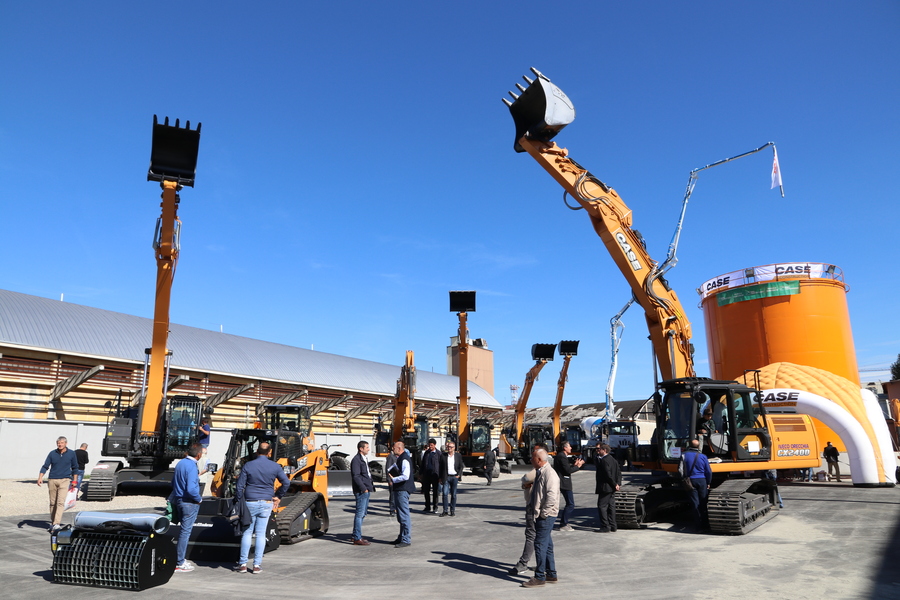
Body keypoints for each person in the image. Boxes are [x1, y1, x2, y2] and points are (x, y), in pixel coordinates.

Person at [235, 443, 290, 573]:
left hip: (250, 501)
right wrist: (278, 496)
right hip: (266, 502)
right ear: (269, 452)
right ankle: (257, 565)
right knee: (260, 533)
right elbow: (286, 482)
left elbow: (239, 486)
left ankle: (242, 564)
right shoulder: (275, 466)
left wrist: (239, 500)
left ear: (256, 451)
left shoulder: (248, 465)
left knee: (247, 532)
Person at [521, 447, 560, 588]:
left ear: (539, 460)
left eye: (532, 458)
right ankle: (551, 574)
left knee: (539, 544)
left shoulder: (549, 474)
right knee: (547, 545)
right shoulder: (540, 472)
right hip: (541, 513)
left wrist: (544, 513)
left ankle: (540, 577)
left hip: (546, 515)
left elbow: (551, 496)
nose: (531, 460)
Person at [170, 443, 203, 572]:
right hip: (189, 502)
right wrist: (199, 499)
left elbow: (173, 482)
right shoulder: (192, 466)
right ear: (199, 454)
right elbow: (191, 488)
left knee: (183, 531)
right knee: (185, 532)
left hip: (179, 500)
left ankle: (180, 559)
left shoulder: (180, 464)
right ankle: (179, 561)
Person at [37, 436, 78, 530]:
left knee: (60, 502)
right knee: (52, 503)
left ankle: (56, 523)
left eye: (62, 443)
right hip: (52, 480)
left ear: (66, 444)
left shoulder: (71, 453)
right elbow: (45, 466)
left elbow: (75, 468)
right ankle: (53, 522)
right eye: (58, 443)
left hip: (65, 480)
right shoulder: (52, 453)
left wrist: (75, 480)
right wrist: (40, 477)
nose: (60, 444)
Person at [553, 441, 584, 531]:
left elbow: (566, 468)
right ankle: (564, 524)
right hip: (564, 483)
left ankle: (564, 523)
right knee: (570, 504)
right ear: (565, 448)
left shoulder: (562, 457)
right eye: (569, 446)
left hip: (563, 482)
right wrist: (578, 467)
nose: (571, 448)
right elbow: (567, 471)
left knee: (569, 503)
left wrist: (574, 465)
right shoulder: (562, 457)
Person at [682, 439, 713, 530]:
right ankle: (706, 525)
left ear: (689, 445)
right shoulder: (703, 456)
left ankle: (698, 526)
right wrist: (708, 482)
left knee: (695, 503)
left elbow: (680, 470)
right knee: (703, 502)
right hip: (702, 480)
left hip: (690, 481)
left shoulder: (684, 455)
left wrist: (684, 479)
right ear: (699, 447)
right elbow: (708, 471)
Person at [389, 441, 414, 547]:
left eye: (394, 448)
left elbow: (405, 476)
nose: (392, 449)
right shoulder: (401, 458)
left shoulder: (404, 459)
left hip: (402, 489)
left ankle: (406, 539)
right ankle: (401, 536)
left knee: (404, 515)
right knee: (400, 515)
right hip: (400, 490)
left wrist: (394, 479)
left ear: (399, 448)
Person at [350, 440, 376, 545]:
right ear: (361, 449)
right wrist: (363, 488)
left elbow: (366, 474)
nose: (368, 449)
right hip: (361, 490)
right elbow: (356, 476)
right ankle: (357, 538)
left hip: (366, 489)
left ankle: (355, 534)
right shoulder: (356, 460)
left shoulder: (364, 458)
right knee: (360, 514)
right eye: (367, 447)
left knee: (363, 513)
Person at [595, 442, 622, 533]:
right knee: (611, 506)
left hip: (605, 487)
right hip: (612, 487)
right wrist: (618, 484)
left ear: (604, 450)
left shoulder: (604, 461)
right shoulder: (613, 460)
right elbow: (618, 473)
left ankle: (605, 526)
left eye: (600, 450)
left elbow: (608, 475)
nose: (598, 451)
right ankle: (613, 525)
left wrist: (614, 484)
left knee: (601, 506)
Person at [439, 440, 464, 517]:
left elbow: (461, 466)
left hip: (454, 477)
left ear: (454, 448)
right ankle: (445, 510)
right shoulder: (443, 455)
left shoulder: (458, 456)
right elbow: (440, 467)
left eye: (450, 447)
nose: (449, 448)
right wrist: (440, 477)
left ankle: (452, 510)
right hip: (446, 477)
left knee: (453, 494)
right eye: (448, 447)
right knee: (445, 494)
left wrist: (458, 475)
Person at [419, 438, 441, 514]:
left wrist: (440, 476)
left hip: (435, 475)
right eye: (429, 445)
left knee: (435, 492)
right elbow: (422, 464)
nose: (430, 446)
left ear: (435, 445)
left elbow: (441, 465)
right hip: (426, 475)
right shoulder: (426, 453)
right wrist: (420, 473)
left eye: (431, 445)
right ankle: (427, 506)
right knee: (426, 491)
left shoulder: (438, 454)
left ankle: (435, 507)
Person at [385, 447, 398, 516]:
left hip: (397, 479)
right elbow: (388, 468)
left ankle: (396, 508)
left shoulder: (397, 456)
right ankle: (392, 509)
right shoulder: (391, 456)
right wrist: (389, 480)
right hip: (392, 479)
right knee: (392, 495)